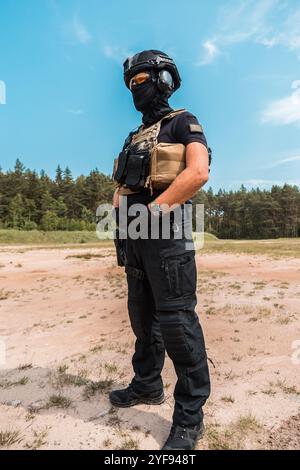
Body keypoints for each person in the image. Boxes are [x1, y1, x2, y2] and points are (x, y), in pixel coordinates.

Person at [110, 50, 211, 451]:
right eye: (131, 84)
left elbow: (198, 172)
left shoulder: (184, 122)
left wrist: (152, 213)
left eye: (142, 81)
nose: (138, 89)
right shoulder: (134, 136)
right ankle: (147, 384)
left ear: (164, 80)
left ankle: (189, 418)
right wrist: (122, 216)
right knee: (142, 317)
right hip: (134, 237)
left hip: (166, 235)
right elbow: (124, 185)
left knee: (176, 324)